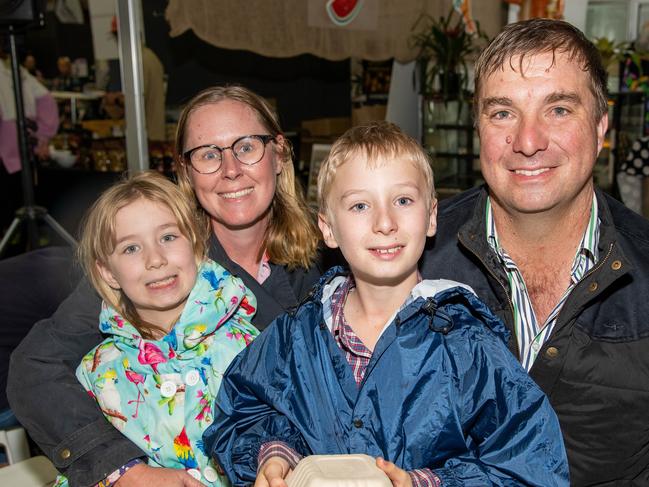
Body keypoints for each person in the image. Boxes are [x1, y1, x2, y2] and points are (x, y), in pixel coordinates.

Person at [205, 121, 569, 487]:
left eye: (403, 200)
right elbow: (244, 409)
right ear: (327, 228)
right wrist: (274, 454)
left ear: (430, 217)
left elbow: (530, 464)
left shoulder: (467, 345)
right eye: (360, 205)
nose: (385, 222)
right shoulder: (295, 337)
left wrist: (427, 483)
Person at [7, 85, 323, 486]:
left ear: (278, 152)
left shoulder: (332, 248)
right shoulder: (155, 268)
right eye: (208, 154)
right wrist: (122, 467)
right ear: (185, 171)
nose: (230, 170)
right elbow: (36, 366)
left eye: (246, 147)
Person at [418, 19, 649, 485]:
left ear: (601, 126)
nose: (528, 142)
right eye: (502, 113)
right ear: (476, 125)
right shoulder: (409, 260)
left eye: (559, 109)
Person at [52, 171, 258, 487]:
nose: (155, 259)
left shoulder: (251, 349)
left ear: (196, 246)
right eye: (131, 248)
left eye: (168, 237)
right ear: (108, 272)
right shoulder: (95, 372)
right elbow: (79, 473)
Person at [0, 43, 59, 232]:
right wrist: (43, 136)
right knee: (18, 202)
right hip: (21, 149)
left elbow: (46, 100)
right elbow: (46, 100)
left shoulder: (13, 72)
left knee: (12, 208)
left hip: (8, 153)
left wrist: (43, 136)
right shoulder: (19, 72)